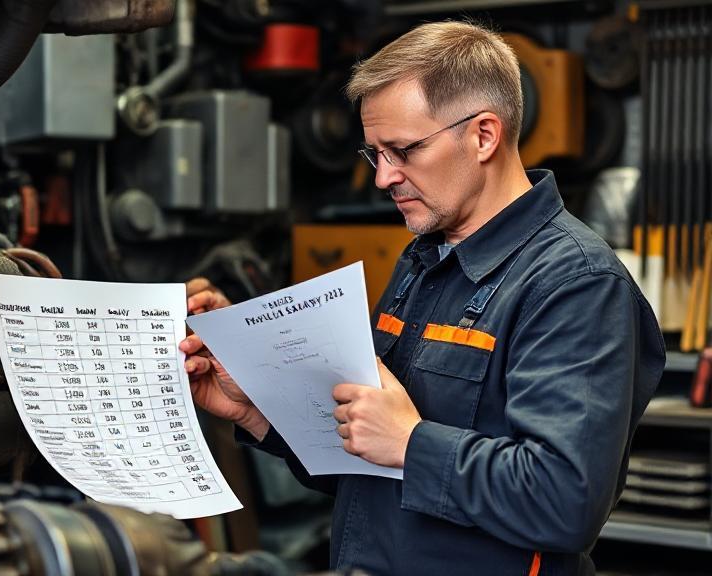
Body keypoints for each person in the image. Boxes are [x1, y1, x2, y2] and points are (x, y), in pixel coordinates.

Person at [179, 21, 665, 576]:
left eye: (403, 150)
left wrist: (413, 444)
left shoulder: (573, 284)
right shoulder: (424, 262)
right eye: (375, 153)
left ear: (484, 135)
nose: (384, 177)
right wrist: (257, 409)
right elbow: (368, 462)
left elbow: (564, 501)